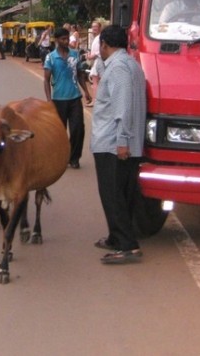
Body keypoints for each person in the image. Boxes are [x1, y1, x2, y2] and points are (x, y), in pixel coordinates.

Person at [90, 25, 146, 265]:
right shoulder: (130, 64)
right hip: (121, 142)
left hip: (114, 143)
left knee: (113, 195)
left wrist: (122, 141)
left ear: (104, 44)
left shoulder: (119, 68)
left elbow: (122, 107)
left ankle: (128, 246)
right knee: (121, 193)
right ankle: (116, 237)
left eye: (100, 46)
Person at [44, 27, 92, 169]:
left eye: (67, 38)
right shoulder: (51, 57)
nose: (66, 41)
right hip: (58, 99)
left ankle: (74, 157)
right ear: (57, 40)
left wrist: (86, 91)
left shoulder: (75, 55)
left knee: (78, 129)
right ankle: (61, 157)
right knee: (59, 132)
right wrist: (49, 100)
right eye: (63, 39)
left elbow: (79, 74)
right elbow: (46, 80)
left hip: (75, 98)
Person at [86, 20, 103, 102]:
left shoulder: (100, 37)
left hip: (98, 61)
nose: (94, 28)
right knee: (96, 82)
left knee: (95, 81)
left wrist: (91, 56)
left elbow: (99, 51)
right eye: (93, 27)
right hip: (96, 61)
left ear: (100, 28)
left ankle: (94, 100)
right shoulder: (96, 38)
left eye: (96, 27)